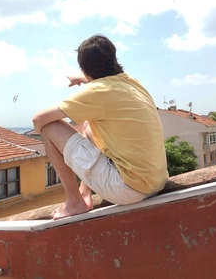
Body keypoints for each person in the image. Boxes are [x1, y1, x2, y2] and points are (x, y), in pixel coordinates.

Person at [32, 35, 168, 220]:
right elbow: (106, 83)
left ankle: (75, 201)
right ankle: (84, 192)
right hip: (156, 181)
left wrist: (85, 80)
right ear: (114, 58)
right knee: (88, 125)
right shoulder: (132, 83)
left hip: (130, 190)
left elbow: (38, 119)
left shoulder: (97, 92)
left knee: (49, 127)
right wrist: (83, 78)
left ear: (85, 67)